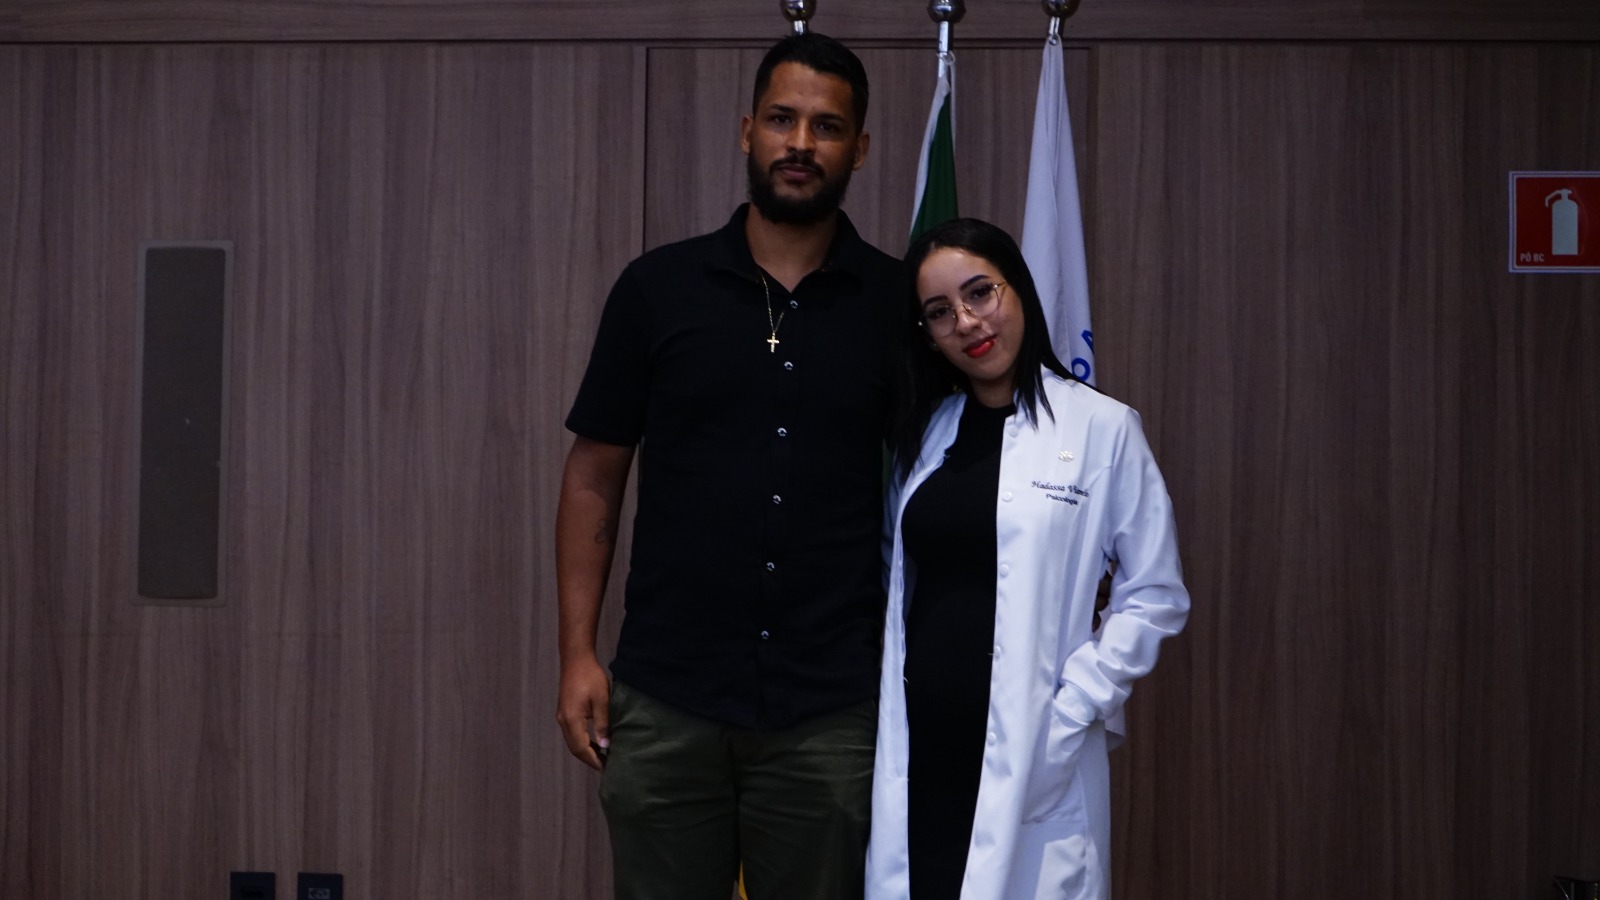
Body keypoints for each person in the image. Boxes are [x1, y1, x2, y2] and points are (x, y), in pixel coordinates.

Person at [554, 32, 900, 900]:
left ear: (860, 149)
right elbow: (594, 476)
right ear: (747, 130)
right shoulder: (657, 289)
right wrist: (577, 655)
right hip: (667, 697)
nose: (800, 143)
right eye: (781, 119)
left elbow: (956, 483)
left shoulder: (897, 306)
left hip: (831, 708)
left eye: (827, 127)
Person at [865, 218, 1190, 900]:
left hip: (1036, 750)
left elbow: (1155, 593)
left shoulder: (1102, 428)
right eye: (939, 312)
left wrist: (1077, 706)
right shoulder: (927, 434)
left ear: (1018, 287)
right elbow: (901, 578)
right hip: (923, 750)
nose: (966, 322)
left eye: (980, 292)